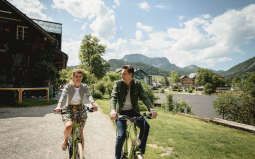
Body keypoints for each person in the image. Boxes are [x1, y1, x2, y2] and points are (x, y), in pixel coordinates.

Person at [110, 65, 158, 159]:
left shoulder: (137, 84)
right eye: (121, 74)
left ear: (130, 74)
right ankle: (117, 157)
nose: (121, 76)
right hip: (120, 112)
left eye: (124, 74)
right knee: (121, 135)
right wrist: (113, 110)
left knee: (146, 126)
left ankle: (139, 151)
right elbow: (113, 97)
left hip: (133, 111)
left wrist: (151, 109)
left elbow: (144, 96)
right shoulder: (118, 84)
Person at [55, 69, 98, 151]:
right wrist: (59, 106)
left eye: (80, 76)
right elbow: (63, 95)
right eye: (76, 76)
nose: (78, 78)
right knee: (68, 126)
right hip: (69, 109)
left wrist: (93, 104)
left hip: (80, 109)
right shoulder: (68, 86)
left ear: (82, 77)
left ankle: (81, 154)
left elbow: (89, 95)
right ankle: (66, 139)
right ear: (73, 77)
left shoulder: (84, 86)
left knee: (80, 134)